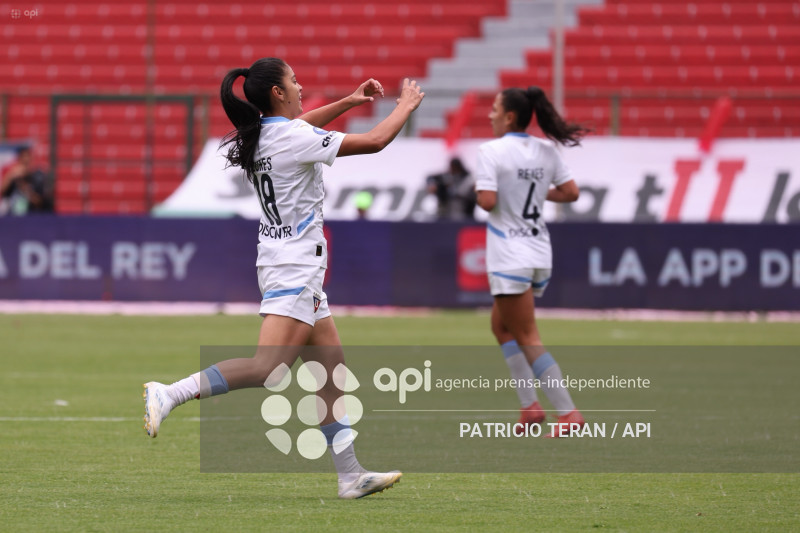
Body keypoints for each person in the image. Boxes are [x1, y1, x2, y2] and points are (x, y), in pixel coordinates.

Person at [143, 57, 424, 498]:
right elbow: (373, 142)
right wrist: (406, 105)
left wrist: (348, 101)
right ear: (277, 92)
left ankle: (349, 474)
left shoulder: (262, 135)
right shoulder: (291, 136)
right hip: (295, 266)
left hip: (287, 264)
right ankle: (170, 393)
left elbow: (301, 126)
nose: (299, 84)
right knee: (267, 369)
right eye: (293, 80)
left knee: (331, 373)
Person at [474, 86, 589, 438]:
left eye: (494, 109)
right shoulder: (545, 150)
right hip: (539, 251)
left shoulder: (490, 151)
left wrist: (494, 191)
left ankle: (569, 414)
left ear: (509, 116)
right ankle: (530, 408)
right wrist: (535, 191)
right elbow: (571, 192)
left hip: (510, 253)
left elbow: (488, 201)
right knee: (503, 327)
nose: (489, 115)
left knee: (525, 333)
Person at [0, 146, 53, 215]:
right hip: (12, 215)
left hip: (31, 215)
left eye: (27, 163)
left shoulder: (38, 177)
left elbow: (40, 202)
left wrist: (23, 187)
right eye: (23, 162)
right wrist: (10, 176)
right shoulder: (13, 177)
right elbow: (2, 192)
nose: (24, 167)